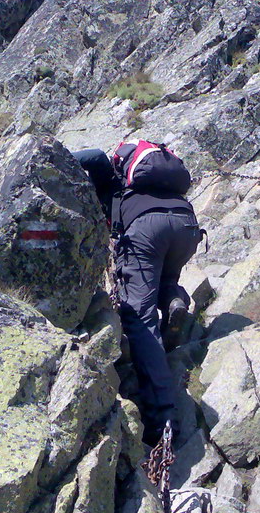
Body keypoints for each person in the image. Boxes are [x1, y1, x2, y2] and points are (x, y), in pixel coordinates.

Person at [73, 145, 202, 446]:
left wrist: (50, 154)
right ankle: (174, 300)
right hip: (186, 225)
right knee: (164, 277)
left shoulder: (112, 180)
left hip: (146, 231)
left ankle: (162, 417)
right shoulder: (152, 184)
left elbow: (93, 157)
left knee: (139, 317)